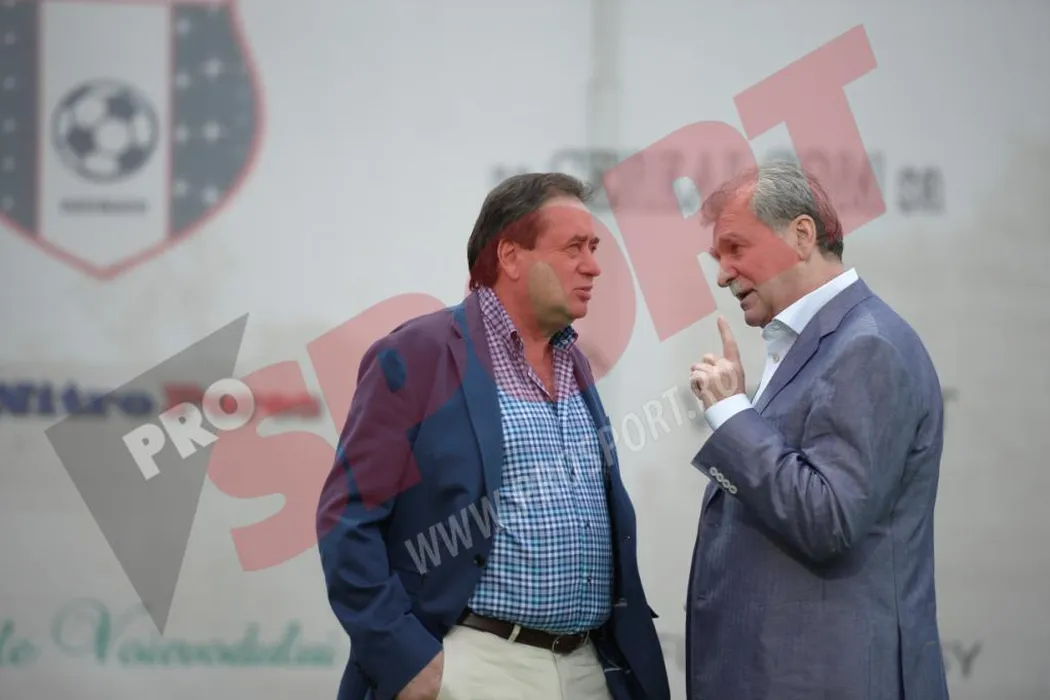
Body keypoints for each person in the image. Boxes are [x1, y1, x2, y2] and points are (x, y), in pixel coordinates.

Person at [316, 173, 670, 700]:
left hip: (588, 667)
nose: (593, 266)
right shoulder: (417, 354)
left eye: (593, 248)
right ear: (510, 256)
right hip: (474, 667)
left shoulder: (573, 361)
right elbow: (347, 519)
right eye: (573, 247)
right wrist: (406, 661)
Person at [685, 161, 950, 700]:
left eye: (736, 248)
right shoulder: (816, 343)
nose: (722, 275)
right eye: (717, 257)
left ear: (801, 236)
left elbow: (828, 518)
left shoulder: (867, 346)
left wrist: (733, 415)